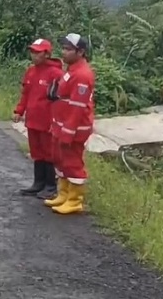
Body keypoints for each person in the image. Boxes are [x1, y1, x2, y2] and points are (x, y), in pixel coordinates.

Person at [44, 33, 95, 215]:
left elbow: (77, 108)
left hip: (74, 128)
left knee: (72, 162)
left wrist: (68, 132)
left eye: (68, 49)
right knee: (60, 159)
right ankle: (63, 194)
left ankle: (74, 200)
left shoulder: (82, 75)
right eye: (63, 48)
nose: (63, 52)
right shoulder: (70, 70)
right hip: (61, 123)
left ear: (80, 52)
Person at [12, 39, 64, 199]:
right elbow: (25, 94)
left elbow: (61, 100)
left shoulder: (56, 74)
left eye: (37, 52)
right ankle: (38, 183)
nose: (34, 55)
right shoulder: (31, 71)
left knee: (49, 153)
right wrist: (19, 110)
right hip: (33, 120)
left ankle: (50, 186)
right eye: (32, 51)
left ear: (47, 54)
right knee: (37, 152)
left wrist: (58, 121)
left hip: (48, 121)